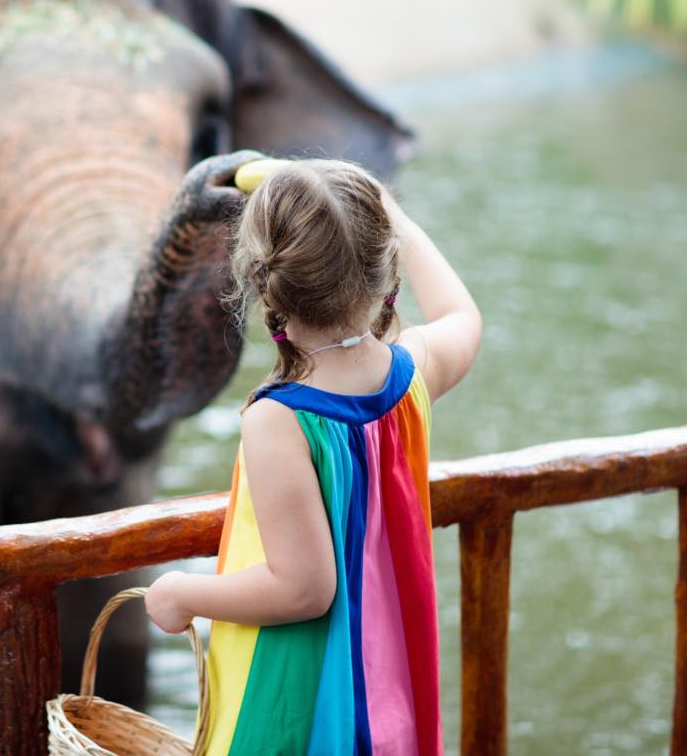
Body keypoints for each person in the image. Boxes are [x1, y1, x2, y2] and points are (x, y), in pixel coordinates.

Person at [144, 157, 481, 756]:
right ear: (386, 270)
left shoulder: (277, 418)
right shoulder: (411, 373)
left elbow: (303, 589)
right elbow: (462, 315)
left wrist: (179, 593)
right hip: (387, 684)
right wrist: (392, 210)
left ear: (260, 281)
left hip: (300, 703)